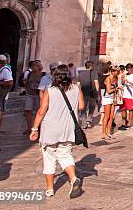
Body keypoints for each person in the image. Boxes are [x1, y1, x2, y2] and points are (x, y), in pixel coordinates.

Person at [30, 65, 84, 198]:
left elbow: (42, 111)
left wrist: (34, 128)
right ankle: (73, 178)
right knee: (65, 155)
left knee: (49, 158)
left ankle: (49, 189)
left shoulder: (50, 90)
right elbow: (81, 106)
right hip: (68, 128)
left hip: (51, 128)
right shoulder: (76, 88)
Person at [0, 54, 13, 137]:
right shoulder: (0, 69)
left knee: (0, 114)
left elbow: (10, 82)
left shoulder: (5, 70)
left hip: (1, 95)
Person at [24, 61, 44, 134]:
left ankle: (38, 127)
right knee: (28, 111)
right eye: (32, 66)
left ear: (39, 67)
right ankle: (29, 127)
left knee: (38, 111)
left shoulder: (42, 75)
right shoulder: (29, 74)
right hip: (29, 94)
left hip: (38, 95)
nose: (33, 67)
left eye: (35, 66)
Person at [101, 66, 120, 139]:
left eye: (118, 72)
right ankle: (103, 133)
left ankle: (108, 132)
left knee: (112, 116)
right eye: (116, 72)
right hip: (107, 98)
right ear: (112, 71)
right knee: (107, 116)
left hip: (113, 98)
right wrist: (116, 88)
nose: (117, 73)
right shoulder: (108, 79)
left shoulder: (116, 78)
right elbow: (108, 91)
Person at [77, 61, 99, 129]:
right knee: (92, 107)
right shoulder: (94, 73)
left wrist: (79, 93)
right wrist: (97, 92)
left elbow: (78, 84)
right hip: (92, 93)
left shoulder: (80, 74)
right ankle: (89, 121)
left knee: (83, 108)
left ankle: (84, 123)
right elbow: (96, 83)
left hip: (83, 93)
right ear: (91, 66)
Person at [120, 63, 133, 130]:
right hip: (123, 94)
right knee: (123, 109)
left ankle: (129, 123)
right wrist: (122, 79)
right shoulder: (125, 75)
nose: (128, 70)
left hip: (130, 96)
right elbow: (123, 83)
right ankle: (123, 123)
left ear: (132, 68)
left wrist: (128, 82)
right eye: (127, 69)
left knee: (130, 109)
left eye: (129, 69)